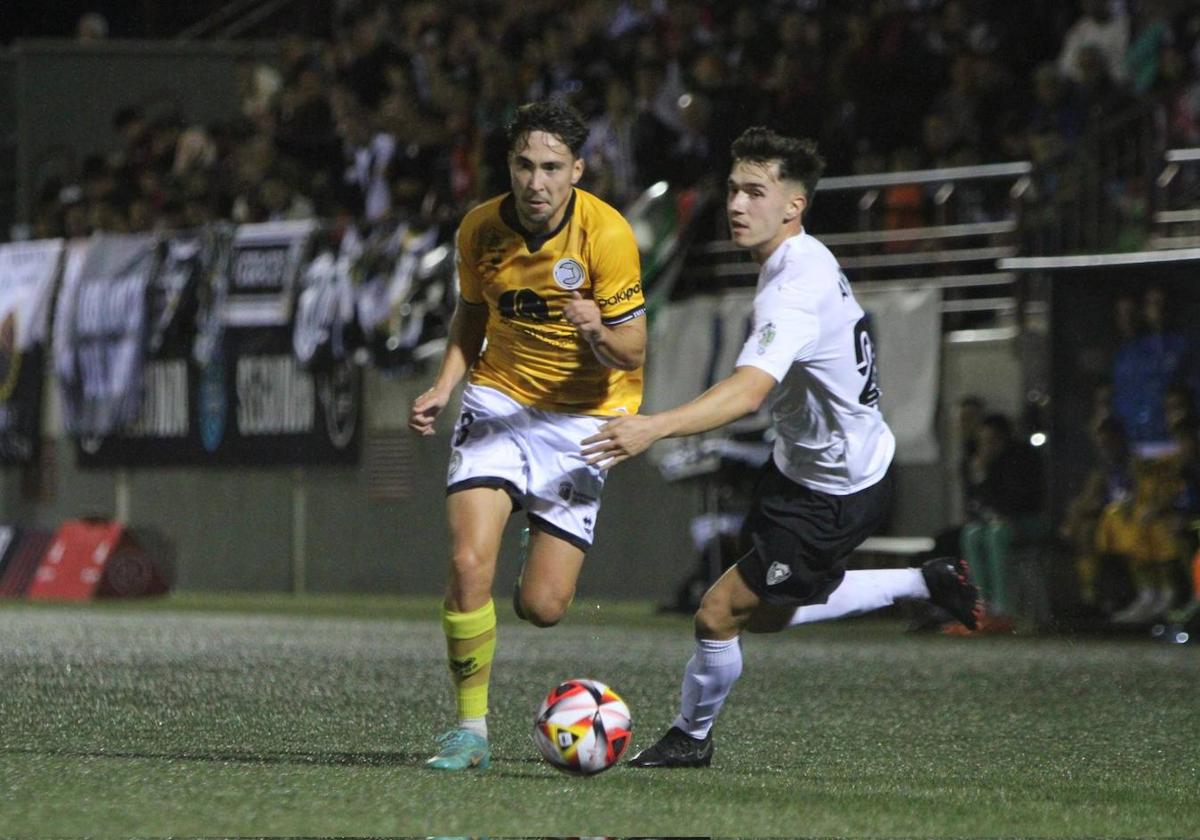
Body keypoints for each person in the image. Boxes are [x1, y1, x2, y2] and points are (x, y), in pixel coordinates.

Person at [580, 127, 978, 768]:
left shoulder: (794, 286)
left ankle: (691, 736)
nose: (737, 204)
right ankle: (923, 581)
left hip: (833, 490)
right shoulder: (801, 261)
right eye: (733, 189)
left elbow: (745, 393)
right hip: (803, 469)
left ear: (793, 205)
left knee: (717, 614)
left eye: (755, 192)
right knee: (762, 613)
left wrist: (652, 426)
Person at [408, 99, 647, 771]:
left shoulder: (607, 235)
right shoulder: (480, 229)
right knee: (465, 565)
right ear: (507, 165)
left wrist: (596, 328)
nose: (535, 182)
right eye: (522, 165)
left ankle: (526, 523)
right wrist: (443, 385)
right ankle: (470, 732)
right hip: (500, 400)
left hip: (584, 420)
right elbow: (470, 316)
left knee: (543, 606)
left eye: (550, 168)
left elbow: (632, 351)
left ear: (577, 169)